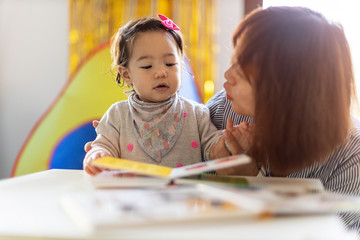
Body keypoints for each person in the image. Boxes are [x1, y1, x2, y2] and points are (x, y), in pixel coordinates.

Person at [207, 6, 360, 232]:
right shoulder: (223, 108)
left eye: (241, 72)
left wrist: (251, 180)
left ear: (283, 90)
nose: (227, 75)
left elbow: (328, 234)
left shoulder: (350, 158)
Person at [83, 15, 224, 175]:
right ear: (126, 74)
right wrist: (98, 155)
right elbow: (104, 145)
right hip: (133, 196)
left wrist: (226, 144)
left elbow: (214, 149)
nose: (161, 72)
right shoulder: (117, 115)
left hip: (183, 197)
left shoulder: (197, 114)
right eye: (147, 66)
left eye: (170, 64)